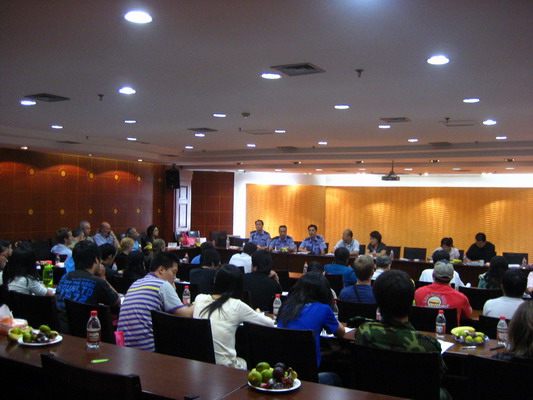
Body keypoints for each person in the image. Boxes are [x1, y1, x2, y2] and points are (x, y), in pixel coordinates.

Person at [355, 270, 448, 397]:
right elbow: (440, 377)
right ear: (411, 301)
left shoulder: (364, 332)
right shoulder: (429, 345)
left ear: (377, 301)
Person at [194, 264, 275, 369]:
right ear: (238, 286)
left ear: (215, 281)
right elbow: (269, 324)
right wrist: (258, 313)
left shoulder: (199, 298)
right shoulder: (236, 305)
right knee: (247, 360)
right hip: (225, 368)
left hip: (199, 364)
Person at [277, 272, 345, 386]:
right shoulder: (324, 309)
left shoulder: (286, 306)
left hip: (282, 372)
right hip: (309, 375)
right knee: (337, 377)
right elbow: (341, 333)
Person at [118, 251, 194, 351]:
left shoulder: (136, 283)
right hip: (148, 350)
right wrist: (201, 302)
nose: (175, 277)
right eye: (174, 272)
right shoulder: (162, 285)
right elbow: (185, 314)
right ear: (161, 270)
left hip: (124, 349)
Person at [56, 240, 120, 332]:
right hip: (86, 332)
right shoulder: (98, 282)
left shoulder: (65, 277)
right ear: (96, 260)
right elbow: (116, 301)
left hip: (61, 330)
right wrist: (103, 278)